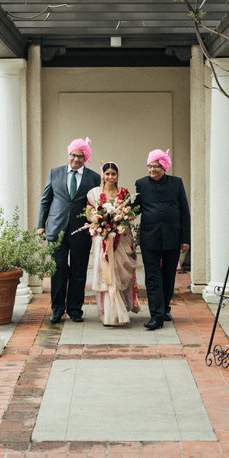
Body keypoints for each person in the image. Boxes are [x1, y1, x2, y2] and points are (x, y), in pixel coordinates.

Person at [37, 137, 101, 323]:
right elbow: (45, 200)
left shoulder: (93, 177)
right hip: (56, 229)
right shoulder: (55, 173)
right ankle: (57, 309)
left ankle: (75, 309)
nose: (76, 159)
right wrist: (41, 224)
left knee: (78, 271)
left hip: (81, 230)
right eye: (74, 155)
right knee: (58, 270)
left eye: (81, 156)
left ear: (85, 158)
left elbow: (96, 203)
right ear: (69, 154)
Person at [134, 149, 190, 330]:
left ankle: (165, 307)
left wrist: (185, 239)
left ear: (164, 166)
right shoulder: (141, 184)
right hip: (149, 238)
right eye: (150, 166)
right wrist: (118, 211)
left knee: (167, 276)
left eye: (156, 166)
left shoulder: (176, 183)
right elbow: (136, 208)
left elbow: (184, 212)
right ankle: (156, 316)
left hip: (172, 238)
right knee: (152, 277)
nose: (152, 170)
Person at [86, 162, 140, 326]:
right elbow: (88, 213)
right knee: (106, 273)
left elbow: (128, 213)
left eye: (113, 174)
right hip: (101, 239)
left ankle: (122, 306)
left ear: (117, 175)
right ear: (102, 175)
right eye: (107, 173)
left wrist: (118, 221)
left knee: (121, 271)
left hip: (121, 238)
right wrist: (99, 221)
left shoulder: (123, 193)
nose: (110, 177)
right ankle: (110, 314)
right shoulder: (94, 193)